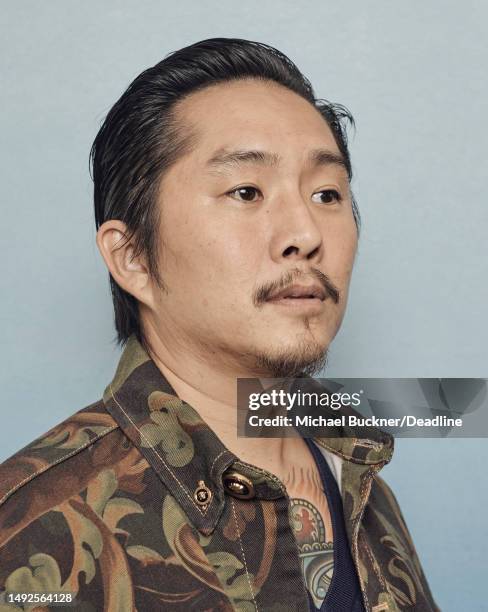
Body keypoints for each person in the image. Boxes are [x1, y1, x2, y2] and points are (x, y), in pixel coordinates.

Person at [0, 39, 439, 612]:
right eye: (246, 192)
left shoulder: (364, 487)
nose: (305, 233)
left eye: (327, 193)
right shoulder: (35, 534)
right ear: (133, 256)